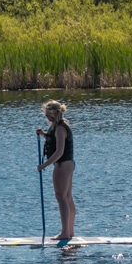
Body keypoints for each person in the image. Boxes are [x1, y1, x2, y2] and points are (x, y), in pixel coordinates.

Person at [36, 99, 76, 240]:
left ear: (53, 114)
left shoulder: (60, 128)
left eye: (47, 114)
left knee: (61, 198)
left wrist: (43, 166)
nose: (46, 117)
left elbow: (59, 151)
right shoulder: (60, 125)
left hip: (62, 166)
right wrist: (44, 135)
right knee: (67, 197)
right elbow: (55, 141)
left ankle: (65, 233)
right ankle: (70, 232)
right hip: (68, 164)